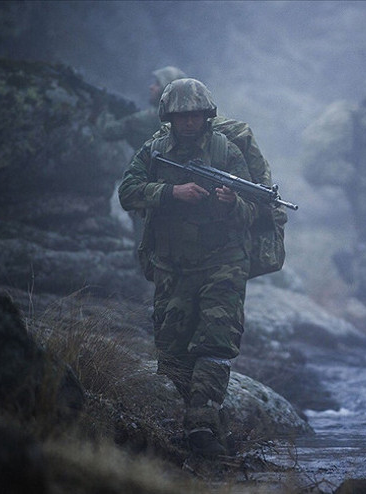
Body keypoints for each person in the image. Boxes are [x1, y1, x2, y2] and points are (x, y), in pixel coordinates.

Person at [117, 78, 257, 468]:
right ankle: (210, 419)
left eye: (197, 114)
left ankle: (200, 426)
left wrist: (231, 203)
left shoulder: (225, 151)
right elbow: (128, 192)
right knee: (173, 352)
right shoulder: (155, 150)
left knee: (215, 342)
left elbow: (254, 211)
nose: (190, 122)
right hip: (173, 265)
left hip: (222, 262)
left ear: (207, 115)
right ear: (170, 117)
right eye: (183, 116)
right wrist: (170, 193)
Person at [301, 74, 366, 302]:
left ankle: (361, 275)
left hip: (356, 181)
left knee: (364, 229)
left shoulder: (360, 116)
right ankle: (363, 279)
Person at [102, 65, 188, 149]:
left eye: (157, 84)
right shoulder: (184, 118)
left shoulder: (152, 117)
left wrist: (102, 109)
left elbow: (107, 131)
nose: (151, 87)